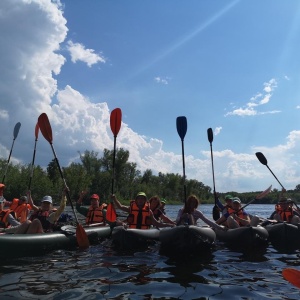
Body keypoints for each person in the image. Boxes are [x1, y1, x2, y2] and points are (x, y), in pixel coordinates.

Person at [3, 189, 67, 234]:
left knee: (36, 221)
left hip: (43, 234)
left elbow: (62, 208)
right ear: (41, 204)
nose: (45, 205)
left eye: (47, 203)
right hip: (31, 232)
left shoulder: (53, 214)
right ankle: (15, 237)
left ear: (51, 205)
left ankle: (23, 240)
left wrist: (64, 195)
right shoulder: (38, 211)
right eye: (44, 203)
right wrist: (29, 195)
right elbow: (31, 204)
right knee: (28, 222)